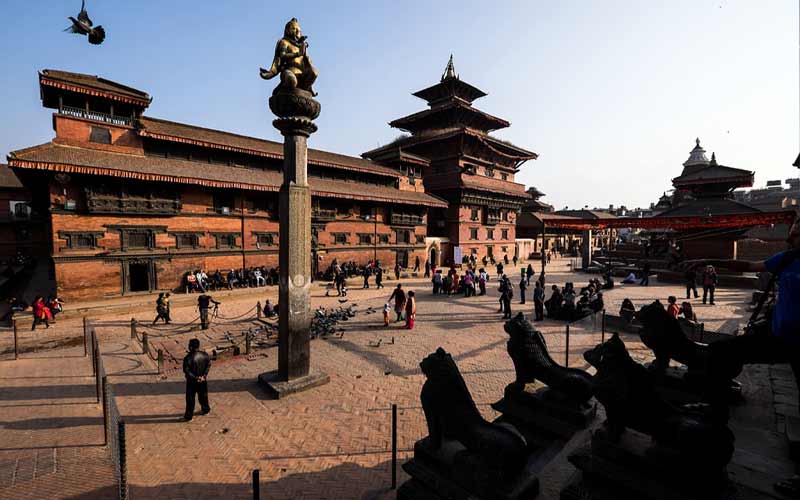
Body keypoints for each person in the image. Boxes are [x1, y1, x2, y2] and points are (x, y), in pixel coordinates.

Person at [683, 221, 800, 495]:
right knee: (721, 352)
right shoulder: (787, 259)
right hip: (778, 338)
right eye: (791, 233)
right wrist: (709, 260)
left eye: (796, 234)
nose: (790, 238)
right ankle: (715, 409)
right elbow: (749, 267)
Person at [183, 338, 211, 421]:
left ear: (191, 347)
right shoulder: (205, 355)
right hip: (202, 380)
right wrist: (204, 376)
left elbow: (186, 371)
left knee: (190, 399)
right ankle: (206, 409)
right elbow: (208, 365)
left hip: (192, 382)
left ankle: (189, 416)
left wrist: (196, 378)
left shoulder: (188, 358)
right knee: (203, 396)